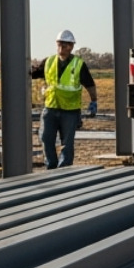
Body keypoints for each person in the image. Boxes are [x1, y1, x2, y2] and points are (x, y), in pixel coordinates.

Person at [31, 29, 98, 171]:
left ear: (71, 46)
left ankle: (64, 170)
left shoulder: (78, 64)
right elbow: (33, 72)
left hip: (70, 111)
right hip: (51, 107)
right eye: (60, 43)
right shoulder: (49, 62)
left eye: (65, 44)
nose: (62, 46)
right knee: (45, 138)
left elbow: (90, 85)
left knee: (67, 143)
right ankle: (52, 167)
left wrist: (93, 101)